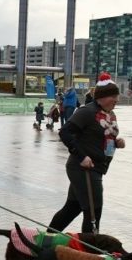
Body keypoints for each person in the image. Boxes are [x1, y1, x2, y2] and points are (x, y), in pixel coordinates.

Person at [48, 72, 125, 233]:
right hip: (84, 168)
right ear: (102, 96)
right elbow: (65, 133)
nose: (116, 100)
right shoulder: (87, 111)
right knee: (93, 212)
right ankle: (88, 254)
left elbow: (101, 137)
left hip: (97, 168)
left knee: (72, 208)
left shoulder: (110, 114)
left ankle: (45, 241)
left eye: (117, 96)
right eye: (113, 96)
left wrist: (117, 142)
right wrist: (82, 156)